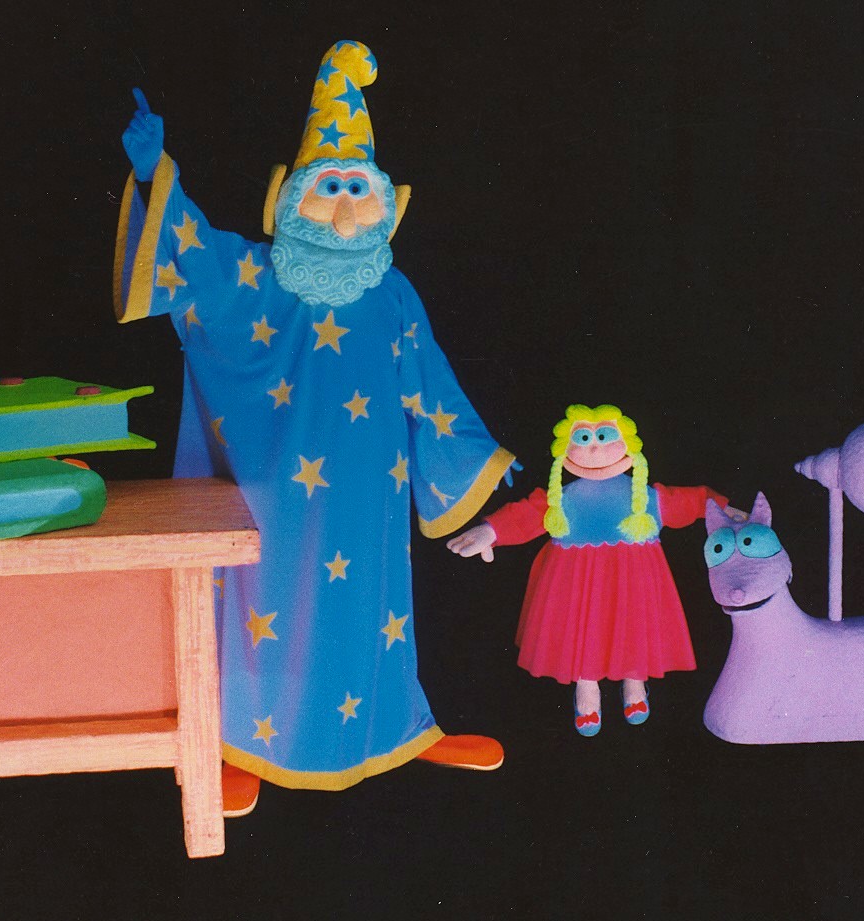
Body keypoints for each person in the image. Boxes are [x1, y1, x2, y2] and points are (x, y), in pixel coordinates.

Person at [113, 40, 516, 815]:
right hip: (269, 489)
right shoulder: (255, 275)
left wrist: (473, 461)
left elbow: (428, 382)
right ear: (291, 195)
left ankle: (396, 729)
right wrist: (153, 173)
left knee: (372, 607)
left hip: (369, 491)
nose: (343, 203)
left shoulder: (392, 292)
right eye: (329, 185)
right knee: (262, 601)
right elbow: (193, 258)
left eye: (356, 187)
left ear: (386, 201)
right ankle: (238, 741)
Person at [449, 404, 732, 736]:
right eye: (583, 438)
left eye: (604, 436)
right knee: (583, 626)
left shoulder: (646, 498)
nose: (594, 448)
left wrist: (723, 509)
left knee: (633, 623)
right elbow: (526, 515)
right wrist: (492, 531)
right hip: (576, 581)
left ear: (627, 444)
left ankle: (634, 682)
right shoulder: (561, 499)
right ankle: (587, 686)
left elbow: (690, 500)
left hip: (633, 579)